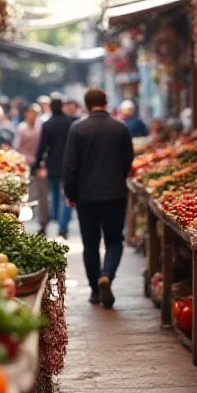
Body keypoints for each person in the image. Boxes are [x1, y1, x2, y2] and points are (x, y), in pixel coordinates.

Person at [63, 88, 134, 308]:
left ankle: (95, 290)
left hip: (86, 197)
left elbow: (70, 165)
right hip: (114, 194)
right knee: (114, 240)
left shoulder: (78, 129)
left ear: (86, 104)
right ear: (106, 102)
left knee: (90, 244)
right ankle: (107, 275)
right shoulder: (120, 128)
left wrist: (70, 193)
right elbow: (128, 161)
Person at [33, 97, 76, 239]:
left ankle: (56, 219)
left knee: (54, 194)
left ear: (51, 107)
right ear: (62, 106)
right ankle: (63, 226)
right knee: (68, 194)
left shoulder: (48, 124)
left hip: (53, 164)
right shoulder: (71, 123)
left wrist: (38, 163)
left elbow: (42, 146)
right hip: (69, 164)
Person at [14, 105, 49, 234]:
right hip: (24, 164)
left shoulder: (41, 128)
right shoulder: (21, 128)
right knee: (24, 195)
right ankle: (22, 223)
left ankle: (43, 222)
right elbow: (17, 146)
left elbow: (45, 146)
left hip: (39, 164)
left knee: (42, 194)